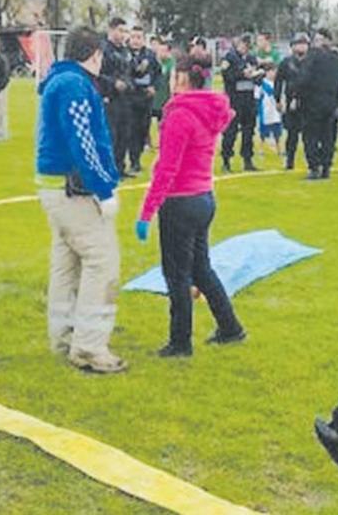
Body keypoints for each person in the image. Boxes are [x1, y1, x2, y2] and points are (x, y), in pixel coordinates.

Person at [135, 54, 246, 357]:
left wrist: (147, 211)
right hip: (203, 198)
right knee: (200, 269)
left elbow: (167, 169)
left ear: (182, 79)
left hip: (181, 203)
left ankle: (180, 341)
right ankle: (230, 326)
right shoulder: (209, 110)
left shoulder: (180, 116)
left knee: (178, 275)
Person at [36, 25, 125, 374]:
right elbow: (82, 141)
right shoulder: (74, 85)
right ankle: (88, 347)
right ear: (94, 53)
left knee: (67, 263)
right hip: (71, 189)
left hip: (55, 187)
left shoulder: (61, 81)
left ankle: (64, 334)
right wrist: (103, 189)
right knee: (102, 261)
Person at [295, 28, 338, 180]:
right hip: (330, 103)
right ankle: (326, 167)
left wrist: (295, 93)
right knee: (328, 136)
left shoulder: (312, 56)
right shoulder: (337, 59)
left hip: (311, 103)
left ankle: (314, 167)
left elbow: (304, 79)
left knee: (310, 136)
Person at [221, 34, 262, 173]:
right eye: (244, 45)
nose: (246, 48)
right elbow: (226, 75)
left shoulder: (251, 58)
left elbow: (258, 79)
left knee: (249, 130)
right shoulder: (230, 57)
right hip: (234, 99)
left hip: (249, 99)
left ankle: (247, 159)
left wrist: (257, 75)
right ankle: (226, 160)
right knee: (231, 131)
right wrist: (241, 73)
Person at [126, 25, 160, 175]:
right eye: (133, 37)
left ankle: (137, 159)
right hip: (130, 97)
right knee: (131, 130)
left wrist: (154, 86)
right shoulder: (125, 54)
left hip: (146, 97)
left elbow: (158, 73)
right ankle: (133, 162)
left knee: (143, 129)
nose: (135, 40)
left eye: (139, 37)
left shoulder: (150, 55)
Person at [99, 17, 131, 177]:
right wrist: (113, 83)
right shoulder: (103, 49)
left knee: (124, 133)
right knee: (110, 134)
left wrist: (126, 82)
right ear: (111, 30)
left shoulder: (125, 51)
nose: (123, 34)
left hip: (124, 98)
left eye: (125, 31)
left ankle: (120, 167)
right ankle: (107, 168)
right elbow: (98, 73)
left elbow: (128, 72)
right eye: (120, 30)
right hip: (108, 98)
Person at [275, 33, 309, 170]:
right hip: (291, 102)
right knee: (292, 133)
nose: (301, 46)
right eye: (298, 43)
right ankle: (289, 159)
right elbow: (279, 81)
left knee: (309, 133)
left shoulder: (312, 61)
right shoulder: (286, 62)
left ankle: (311, 161)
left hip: (309, 101)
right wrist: (278, 99)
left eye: (304, 43)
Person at [255, 63, 283, 156]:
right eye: (271, 71)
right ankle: (261, 149)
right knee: (263, 132)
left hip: (276, 111)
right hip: (265, 110)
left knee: (277, 131)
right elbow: (257, 97)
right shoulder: (261, 84)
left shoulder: (278, 83)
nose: (273, 74)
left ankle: (279, 149)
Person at [151, 39, 174, 126]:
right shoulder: (153, 61)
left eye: (163, 51)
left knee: (162, 125)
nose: (161, 53)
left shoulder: (171, 63)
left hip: (164, 100)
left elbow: (172, 79)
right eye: (159, 50)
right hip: (152, 99)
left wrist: (172, 95)